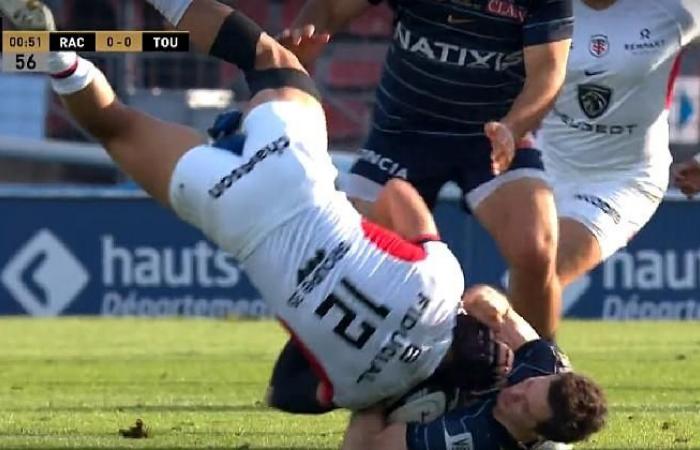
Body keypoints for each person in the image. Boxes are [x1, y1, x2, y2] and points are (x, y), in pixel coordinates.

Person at [2, 0, 513, 413]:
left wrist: (357, 230)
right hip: (233, 214)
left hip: (297, 173)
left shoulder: (443, 285)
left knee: (270, 58)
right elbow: (284, 393)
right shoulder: (358, 392)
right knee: (115, 125)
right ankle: (60, 61)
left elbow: (398, 196)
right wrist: (385, 394)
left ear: (472, 322)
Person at [284, 0, 574, 339]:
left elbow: (548, 73)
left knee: (535, 247)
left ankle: (538, 366)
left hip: (492, 136)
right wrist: (301, 42)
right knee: (352, 260)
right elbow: (329, 9)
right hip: (401, 136)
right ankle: (330, 372)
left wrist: (513, 127)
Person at [537, 0, 700, 336]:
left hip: (624, 179)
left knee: (546, 271)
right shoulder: (539, 7)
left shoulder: (678, 9)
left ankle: (534, 370)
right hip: (541, 168)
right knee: (531, 277)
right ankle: (537, 372)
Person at [340, 285, 608, 450]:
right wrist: (488, 304)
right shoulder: (545, 364)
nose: (514, 393)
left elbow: (374, 446)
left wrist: (381, 382)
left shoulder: (471, 438)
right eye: (527, 386)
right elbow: (495, 307)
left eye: (523, 407)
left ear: (534, 436)